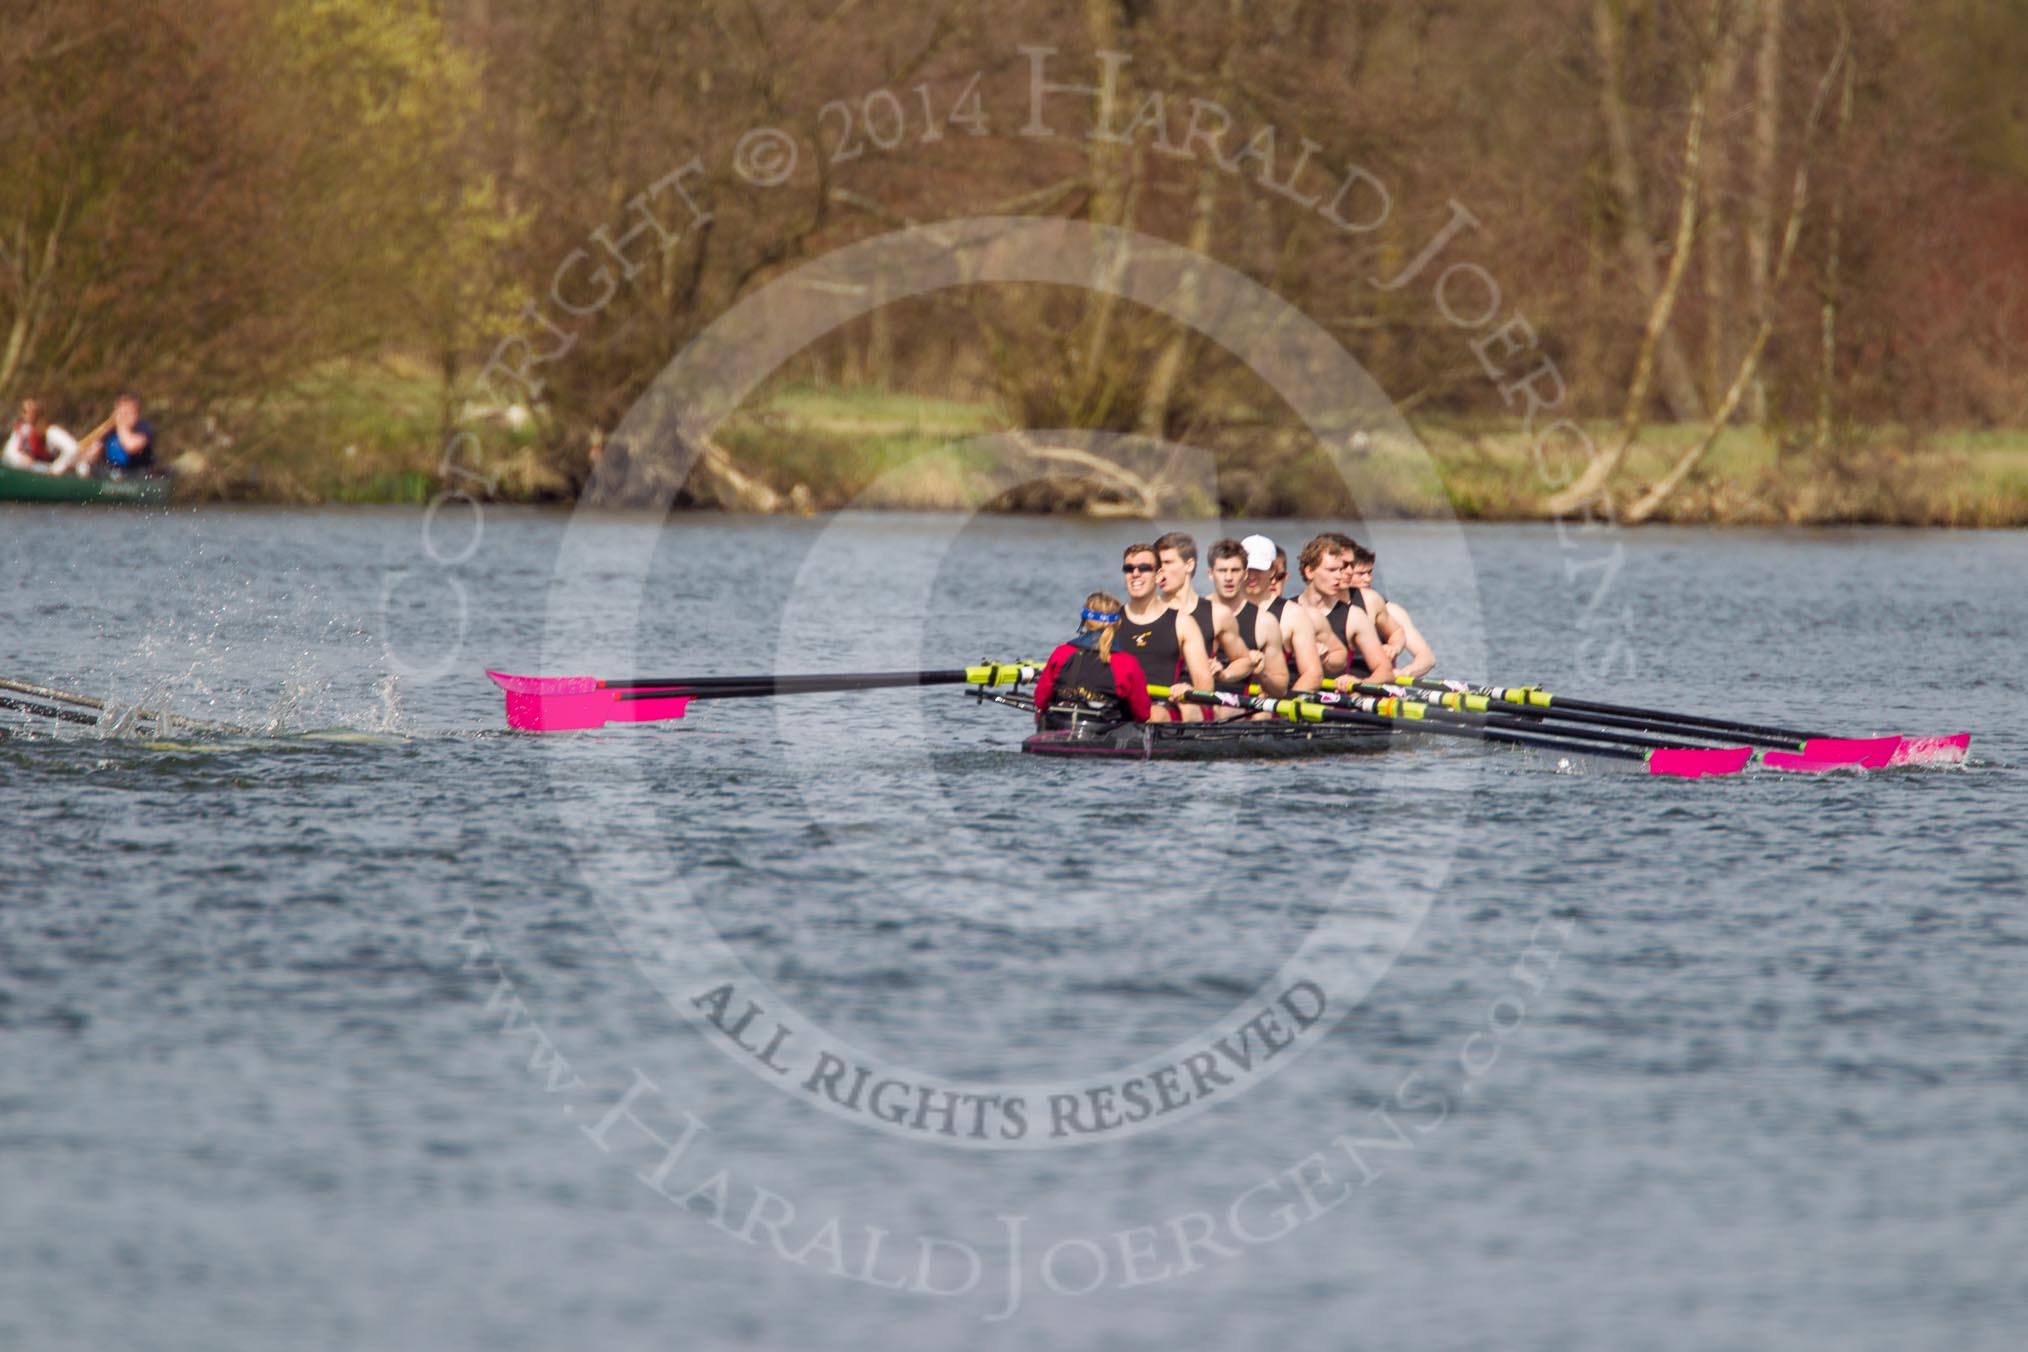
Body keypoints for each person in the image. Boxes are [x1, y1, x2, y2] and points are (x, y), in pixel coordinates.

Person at [1113, 541, 1219, 722]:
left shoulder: (1182, 622)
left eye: (1144, 568)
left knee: (1151, 714)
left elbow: (1205, 685)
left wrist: (1188, 689)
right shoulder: (1112, 620)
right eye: (1129, 569)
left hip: (1162, 705)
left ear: (1158, 575)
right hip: (1118, 702)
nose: (1135, 574)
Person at [1031, 592, 1154, 729]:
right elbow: (1143, 713)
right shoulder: (1128, 663)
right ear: (1118, 623)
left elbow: (1040, 700)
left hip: (1059, 728)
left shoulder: (1062, 652)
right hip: (1104, 734)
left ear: (1084, 620)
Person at [1152, 530, 1256, 692]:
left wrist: (1224, 674)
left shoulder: (1217, 614)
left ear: (1189, 565)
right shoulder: (1147, 611)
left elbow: (1244, 661)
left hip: (1193, 701)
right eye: (1157, 565)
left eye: (1167, 563)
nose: (1159, 570)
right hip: (1152, 698)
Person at [1291, 533, 1395, 687]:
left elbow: (1385, 671)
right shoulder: (1286, 610)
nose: (1339, 576)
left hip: (1332, 700)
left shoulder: (1354, 616)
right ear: (1309, 572)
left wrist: (1360, 684)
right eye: (1331, 570)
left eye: (1340, 570)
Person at [1207, 537, 1297, 698]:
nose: (1228, 578)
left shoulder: (1265, 622)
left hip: (1237, 712)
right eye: (1222, 571)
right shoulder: (1190, 615)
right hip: (1193, 704)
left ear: (1244, 573)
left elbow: (1281, 689)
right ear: (1210, 574)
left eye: (1235, 570)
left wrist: (1261, 675)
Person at [1238, 534, 1324, 694]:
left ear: (1272, 571)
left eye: (1258, 569)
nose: (1251, 575)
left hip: (1270, 707)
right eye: (1248, 568)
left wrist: (1282, 705)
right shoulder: (1220, 609)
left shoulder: (1293, 614)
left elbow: (1313, 674)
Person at [1344, 544, 1438, 680]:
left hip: (1377, 685)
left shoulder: (1392, 611)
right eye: (1360, 574)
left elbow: (1427, 658)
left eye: (1369, 572)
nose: (1368, 579)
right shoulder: (1328, 609)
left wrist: (1404, 672)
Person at [75, 393, 155, 477]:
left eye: (127, 413)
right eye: (120, 412)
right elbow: (92, 452)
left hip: (136, 476)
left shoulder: (143, 428)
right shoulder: (110, 431)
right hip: (112, 475)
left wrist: (121, 425)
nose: (122, 416)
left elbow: (131, 446)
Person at [3, 398, 81, 475]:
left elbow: (73, 448)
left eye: (25, 411)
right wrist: (21, 459)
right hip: (27, 470)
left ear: (37, 414)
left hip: (45, 471)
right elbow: (9, 453)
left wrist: (56, 468)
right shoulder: (22, 430)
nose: (22, 415)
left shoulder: (51, 432)